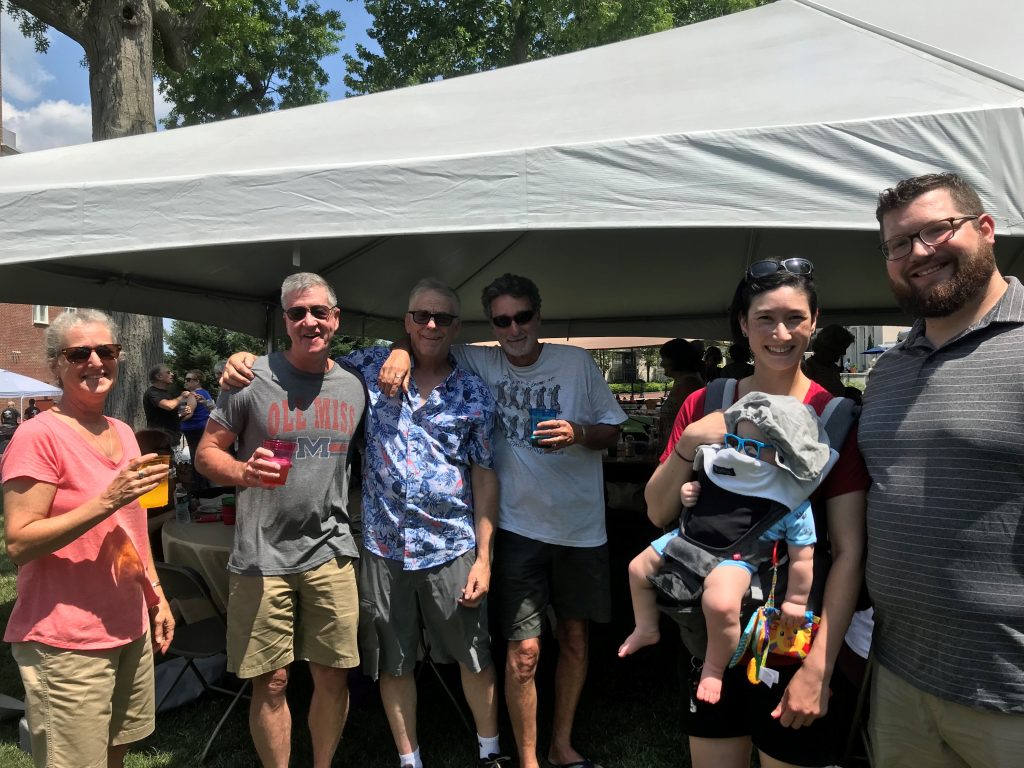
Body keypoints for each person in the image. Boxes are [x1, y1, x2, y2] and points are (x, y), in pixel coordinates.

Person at [220, 278, 512, 768]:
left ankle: (489, 752)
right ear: (406, 321)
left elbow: (484, 477)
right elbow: (303, 355)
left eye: (442, 317)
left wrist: (485, 556)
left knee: (474, 654)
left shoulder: (475, 393)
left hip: (452, 544)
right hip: (384, 546)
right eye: (420, 316)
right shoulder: (367, 369)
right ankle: (408, 757)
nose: (431, 325)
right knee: (394, 661)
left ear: (457, 326)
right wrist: (241, 356)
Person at [379, 273, 626, 768]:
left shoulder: (576, 363)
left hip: (580, 529)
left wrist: (579, 432)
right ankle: (529, 760)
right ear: (491, 325)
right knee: (524, 652)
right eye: (502, 321)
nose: (514, 329)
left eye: (522, 317)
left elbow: (613, 432)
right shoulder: (479, 358)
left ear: (539, 315)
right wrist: (400, 350)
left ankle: (561, 745)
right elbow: (428, 332)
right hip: (515, 529)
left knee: (575, 640)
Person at [644, 258, 869, 768]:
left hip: (793, 631)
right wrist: (689, 446)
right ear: (742, 325)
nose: (781, 332)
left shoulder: (832, 418)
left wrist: (820, 669)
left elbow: (849, 551)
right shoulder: (706, 402)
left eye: (794, 317)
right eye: (765, 318)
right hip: (709, 628)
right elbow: (657, 512)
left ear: (814, 321)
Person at [859, 172, 1024, 767]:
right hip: (902, 673)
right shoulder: (890, 369)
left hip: (1010, 694)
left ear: (984, 229)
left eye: (936, 230)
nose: (917, 254)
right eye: (898, 245)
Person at [195, 273, 366, 768]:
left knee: (333, 674)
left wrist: (399, 350)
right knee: (270, 680)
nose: (309, 321)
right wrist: (243, 472)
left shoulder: (355, 386)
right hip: (261, 555)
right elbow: (206, 455)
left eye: (319, 312)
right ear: (285, 320)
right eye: (297, 313)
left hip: (332, 551)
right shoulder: (250, 379)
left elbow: (418, 344)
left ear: (336, 318)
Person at [1, 309, 173, 768]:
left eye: (107, 351)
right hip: (67, 639)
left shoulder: (121, 432)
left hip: (127, 624)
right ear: (56, 364)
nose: (96, 361)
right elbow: (19, 543)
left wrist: (156, 597)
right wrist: (105, 500)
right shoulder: (37, 437)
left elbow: (131, 529)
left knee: (115, 751)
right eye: (80, 353)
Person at [620, 393, 837, 707]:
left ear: (783, 454)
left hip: (737, 559)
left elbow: (803, 557)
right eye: (734, 442)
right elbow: (699, 497)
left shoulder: (789, 498)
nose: (739, 454)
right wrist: (690, 492)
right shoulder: (719, 465)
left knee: (720, 603)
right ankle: (646, 626)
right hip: (689, 540)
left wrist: (796, 600)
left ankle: (713, 666)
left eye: (750, 448)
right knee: (636, 569)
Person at [657, 338, 704, 451]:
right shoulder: (683, 381)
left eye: (664, 358)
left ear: (676, 359)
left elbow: (689, 423)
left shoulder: (688, 384)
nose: (661, 363)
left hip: (680, 451)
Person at [142, 363, 192, 444]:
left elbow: (177, 413)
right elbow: (168, 406)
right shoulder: (152, 392)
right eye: (168, 372)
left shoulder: (170, 393)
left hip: (173, 439)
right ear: (159, 376)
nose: (172, 374)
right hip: (159, 441)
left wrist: (184, 412)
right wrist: (181, 397)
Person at [802, 324, 855, 399]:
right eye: (842, 347)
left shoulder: (833, 368)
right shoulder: (808, 369)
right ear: (829, 346)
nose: (844, 353)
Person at [180, 369, 214, 480]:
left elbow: (188, 414)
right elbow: (211, 408)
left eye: (189, 379)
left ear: (197, 381)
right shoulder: (205, 393)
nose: (186, 381)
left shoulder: (192, 395)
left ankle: (199, 485)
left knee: (196, 457)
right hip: (203, 428)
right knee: (203, 456)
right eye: (186, 379)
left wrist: (175, 418)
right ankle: (206, 483)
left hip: (194, 429)